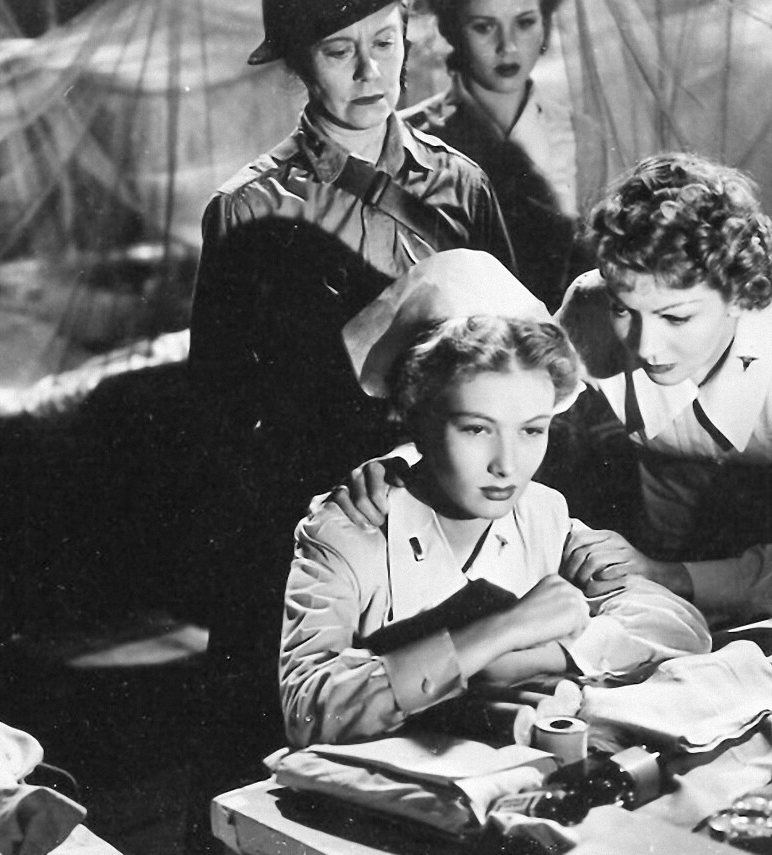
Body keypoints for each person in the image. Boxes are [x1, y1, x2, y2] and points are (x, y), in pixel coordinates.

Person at [183, 0, 516, 836]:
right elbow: (218, 417)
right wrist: (315, 502)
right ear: (298, 60)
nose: (370, 73)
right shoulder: (248, 206)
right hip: (309, 521)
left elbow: (516, 361)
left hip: (446, 507)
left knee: (442, 777)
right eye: (339, 51)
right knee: (283, 782)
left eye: (385, 43)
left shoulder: (461, 185)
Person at [328, 152, 772, 629]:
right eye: (624, 310)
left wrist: (664, 574)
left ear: (738, 296)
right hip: (665, 509)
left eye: (677, 317)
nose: (647, 347)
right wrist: (404, 467)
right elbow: (501, 406)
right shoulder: (590, 308)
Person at [281, 249, 710, 747]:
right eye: (476, 429)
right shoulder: (349, 530)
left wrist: (543, 657)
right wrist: (501, 632)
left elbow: (681, 625)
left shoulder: (544, 515)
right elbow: (306, 709)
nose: (507, 465)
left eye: (532, 430)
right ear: (415, 416)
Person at [400, 0, 591, 309]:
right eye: (484, 27)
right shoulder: (407, 137)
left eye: (525, 23)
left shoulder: (581, 135)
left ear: (545, 24)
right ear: (451, 29)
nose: (508, 46)